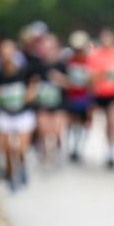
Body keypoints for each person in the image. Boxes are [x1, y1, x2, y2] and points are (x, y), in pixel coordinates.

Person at [0, 37, 40, 191]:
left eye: (9, 52)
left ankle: (22, 167)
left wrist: (26, 95)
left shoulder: (25, 71)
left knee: (21, 149)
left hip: (23, 114)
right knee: (8, 148)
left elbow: (33, 89)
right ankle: (11, 174)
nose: (6, 56)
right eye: (3, 53)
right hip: (4, 115)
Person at [89, 27, 114, 170]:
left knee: (112, 120)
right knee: (106, 121)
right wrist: (104, 73)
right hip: (101, 92)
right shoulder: (96, 54)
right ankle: (109, 148)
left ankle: (113, 151)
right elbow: (92, 76)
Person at [34, 34, 69, 164]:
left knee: (57, 131)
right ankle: (45, 154)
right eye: (46, 48)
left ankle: (56, 151)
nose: (49, 51)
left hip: (59, 104)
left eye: (51, 47)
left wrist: (60, 79)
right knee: (43, 130)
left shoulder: (63, 65)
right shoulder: (38, 65)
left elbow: (71, 84)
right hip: (43, 104)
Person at [64, 30, 95, 163]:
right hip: (72, 96)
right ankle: (73, 147)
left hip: (85, 96)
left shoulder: (90, 61)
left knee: (85, 123)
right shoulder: (68, 60)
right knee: (72, 121)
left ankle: (79, 148)